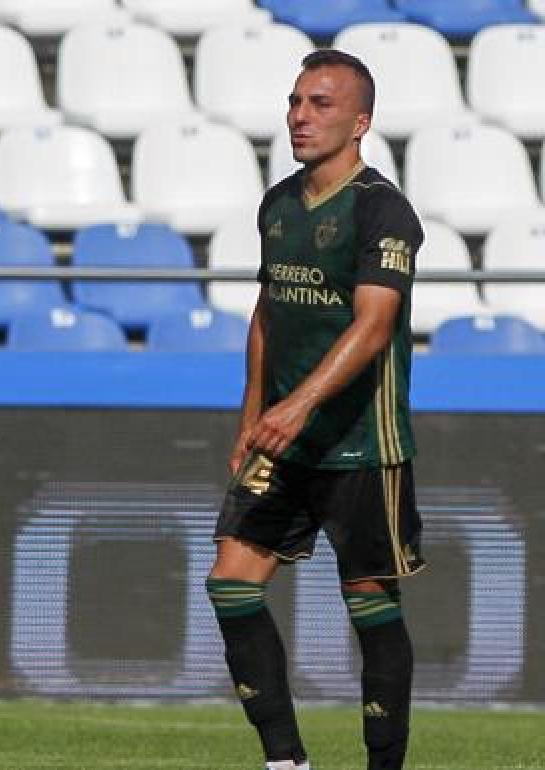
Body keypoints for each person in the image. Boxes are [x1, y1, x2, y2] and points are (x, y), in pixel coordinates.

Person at [208, 49, 425, 770]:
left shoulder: (381, 209)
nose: (301, 116)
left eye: (320, 104)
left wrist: (297, 407)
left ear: (360, 121)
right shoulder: (277, 204)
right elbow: (267, 315)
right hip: (284, 439)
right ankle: (286, 762)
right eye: (296, 102)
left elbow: (374, 325)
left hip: (362, 441)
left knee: (369, 600)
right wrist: (252, 419)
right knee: (230, 585)